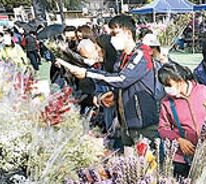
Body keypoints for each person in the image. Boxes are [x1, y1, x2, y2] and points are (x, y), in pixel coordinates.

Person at [69, 15, 162, 147]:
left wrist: (87, 73)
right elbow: (119, 82)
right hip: (126, 123)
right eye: (110, 33)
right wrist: (113, 95)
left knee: (149, 164)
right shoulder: (123, 57)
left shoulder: (141, 55)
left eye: (115, 33)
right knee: (130, 164)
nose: (112, 38)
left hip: (143, 124)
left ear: (128, 33)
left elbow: (122, 79)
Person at [157, 62, 206, 178]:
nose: (167, 89)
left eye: (169, 84)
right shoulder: (167, 103)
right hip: (181, 157)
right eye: (164, 85)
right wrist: (178, 140)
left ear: (180, 80)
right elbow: (162, 128)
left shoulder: (204, 92)